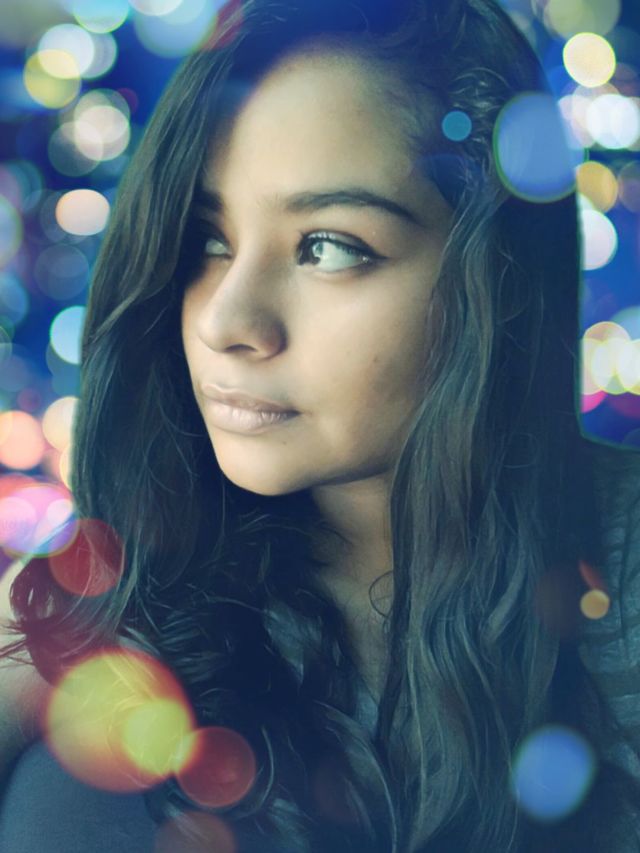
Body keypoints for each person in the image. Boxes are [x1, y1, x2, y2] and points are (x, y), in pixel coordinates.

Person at [1, 0, 640, 850]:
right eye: (207, 238)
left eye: (328, 246)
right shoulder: (111, 608)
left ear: (494, 279)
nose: (227, 321)